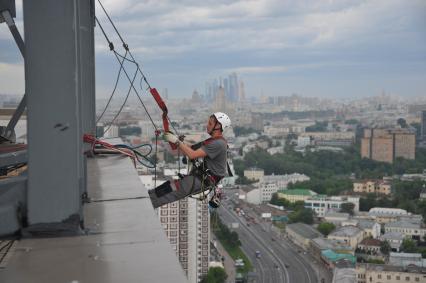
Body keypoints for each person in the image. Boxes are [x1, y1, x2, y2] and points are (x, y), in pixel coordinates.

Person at [148, 112, 231, 209]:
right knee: (168, 186)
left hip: (202, 180)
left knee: (171, 192)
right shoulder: (213, 141)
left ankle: (146, 205)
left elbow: (192, 154)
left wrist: (177, 141)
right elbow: (192, 148)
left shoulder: (218, 143)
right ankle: (148, 196)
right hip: (199, 177)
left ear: (218, 126)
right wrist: (176, 140)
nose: (207, 125)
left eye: (210, 124)